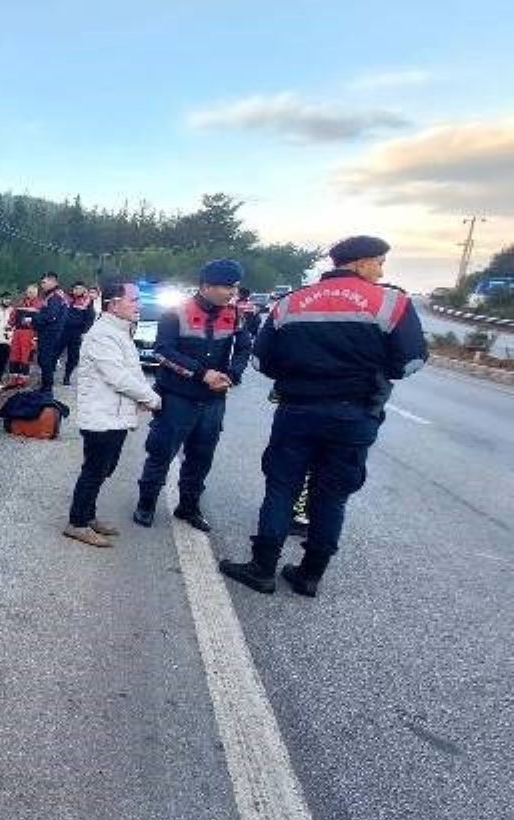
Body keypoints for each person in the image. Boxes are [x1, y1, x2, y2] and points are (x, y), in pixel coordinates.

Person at [220, 236, 427, 596]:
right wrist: (373, 372)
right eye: (379, 263)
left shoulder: (291, 303)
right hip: (355, 415)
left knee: (282, 487)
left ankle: (262, 568)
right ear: (361, 262)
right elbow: (410, 362)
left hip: (298, 410)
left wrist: (299, 375)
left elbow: (261, 361)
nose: (381, 272)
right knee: (332, 495)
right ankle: (310, 575)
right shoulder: (392, 302)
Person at [132, 259, 253, 531]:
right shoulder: (176, 313)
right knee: (161, 453)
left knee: (201, 457)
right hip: (178, 397)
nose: (232, 292)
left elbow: (244, 348)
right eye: (227, 287)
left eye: (234, 286)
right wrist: (202, 374)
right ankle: (146, 503)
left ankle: (188, 506)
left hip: (213, 401)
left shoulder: (234, 314)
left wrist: (232, 375)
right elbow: (163, 351)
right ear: (206, 286)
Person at [64, 281, 162, 547]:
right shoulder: (103, 334)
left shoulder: (120, 330)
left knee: (103, 469)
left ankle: (88, 515)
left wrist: (142, 396)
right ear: (114, 304)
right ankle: (77, 523)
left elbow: (133, 372)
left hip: (114, 415)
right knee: (94, 470)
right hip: (101, 416)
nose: (139, 305)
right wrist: (151, 399)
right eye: (134, 300)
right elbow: (118, 377)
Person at [36, 272, 70, 391]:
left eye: (44, 282)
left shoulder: (55, 296)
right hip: (53, 332)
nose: (42, 285)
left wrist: (34, 319)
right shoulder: (54, 295)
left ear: (53, 282)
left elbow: (51, 316)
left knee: (45, 359)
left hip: (51, 333)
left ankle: (46, 388)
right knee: (45, 359)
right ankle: (46, 385)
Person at [62, 280, 96, 385]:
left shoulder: (87, 301)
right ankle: (49, 374)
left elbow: (90, 318)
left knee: (73, 357)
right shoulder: (67, 299)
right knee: (54, 353)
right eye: (76, 288)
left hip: (77, 333)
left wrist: (85, 332)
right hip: (63, 331)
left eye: (80, 288)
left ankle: (67, 376)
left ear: (84, 290)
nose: (77, 290)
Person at [7, 285, 41, 387]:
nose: (30, 294)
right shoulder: (20, 303)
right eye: (28, 292)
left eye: (32, 292)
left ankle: (23, 379)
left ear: (36, 293)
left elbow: (40, 321)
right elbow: (13, 315)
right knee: (14, 354)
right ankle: (13, 379)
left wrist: (36, 337)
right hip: (17, 331)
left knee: (25, 356)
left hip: (29, 332)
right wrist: (9, 325)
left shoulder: (39, 304)